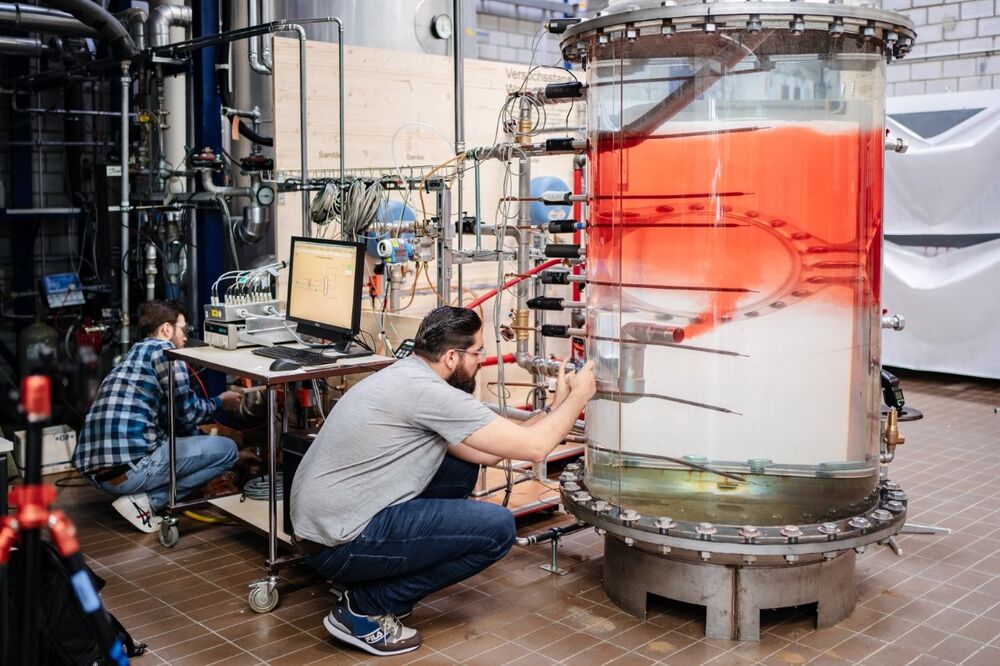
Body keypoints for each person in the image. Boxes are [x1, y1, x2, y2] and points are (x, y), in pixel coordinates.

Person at [291, 305, 596, 657]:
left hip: (321, 529)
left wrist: (551, 409)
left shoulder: (408, 373)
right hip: (335, 544)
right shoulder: (432, 395)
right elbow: (537, 447)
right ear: (453, 356)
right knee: (496, 529)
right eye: (478, 352)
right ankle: (365, 607)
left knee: (459, 470)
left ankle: (371, 576)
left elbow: (488, 453)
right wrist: (579, 397)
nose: (481, 360)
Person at [73, 300, 242, 533]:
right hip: (131, 471)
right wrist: (222, 402)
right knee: (228, 450)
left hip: (96, 475)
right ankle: (148, 502)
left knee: (199, 447)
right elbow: (190, 413)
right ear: (166, 329)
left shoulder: (133, 356)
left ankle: (138, 496)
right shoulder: (167, 354)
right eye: (183, 329)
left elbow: (174, 421)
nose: (185, 337)